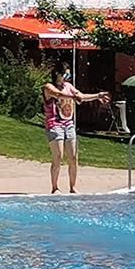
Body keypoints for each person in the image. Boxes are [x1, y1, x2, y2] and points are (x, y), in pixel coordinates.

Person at [42, 62, 109, 193]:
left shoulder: (68, 86)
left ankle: (72, 187)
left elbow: (81, 96)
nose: (68, 77)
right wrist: (74, 97)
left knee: (73, 157)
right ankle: (55, 187)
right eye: (66, 74)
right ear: (58, 74)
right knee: (58, 156)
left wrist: (97, 96)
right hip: (54, 124)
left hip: (69, 124)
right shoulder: (48, 87)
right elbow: (58, 94)